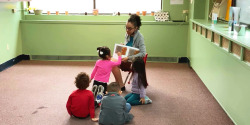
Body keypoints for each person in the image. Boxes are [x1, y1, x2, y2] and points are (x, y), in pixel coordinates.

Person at [112, 14, 146, 91]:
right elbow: (128, 47)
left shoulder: (140, 37)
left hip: (132, 62)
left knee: (113, 63)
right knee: (111, 60)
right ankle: (120, 84)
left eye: (130, 28)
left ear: (136, 28)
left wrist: (129, 58)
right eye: (126, 28)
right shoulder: (127, 35)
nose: (127, 30)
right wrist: (123, 47)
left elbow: (143, 53)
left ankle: (120, 85)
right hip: (125, 59)